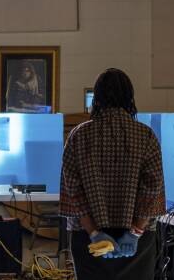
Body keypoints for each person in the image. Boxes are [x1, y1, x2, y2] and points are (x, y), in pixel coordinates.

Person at [60, 68, 166, 279]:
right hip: (137, 237)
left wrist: (94, 232)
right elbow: (152, 188)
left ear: (97, 97)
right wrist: (135, 231)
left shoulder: (79, 135)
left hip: (89, 235)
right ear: (130, 97)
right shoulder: (145, 135)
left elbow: (73, 190)